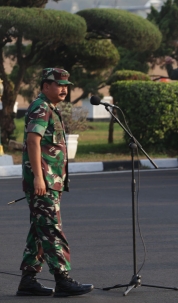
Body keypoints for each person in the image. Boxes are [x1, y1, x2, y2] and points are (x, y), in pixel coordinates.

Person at [18, 68, 93, 297]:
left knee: (40, 229)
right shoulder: (41, 107)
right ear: (45, 86)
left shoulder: (51, 108)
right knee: (51, 229)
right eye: (58, 84)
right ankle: (63, 279)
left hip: (51, 181)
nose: (64, 89)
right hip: (43, 181)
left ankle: (28, 280)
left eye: (66, 85)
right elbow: (33, 141)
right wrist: (39, 178)